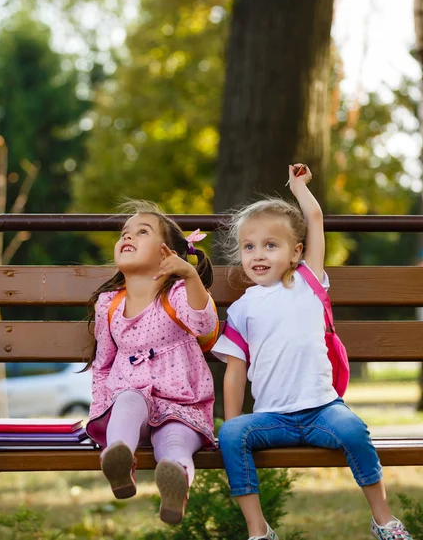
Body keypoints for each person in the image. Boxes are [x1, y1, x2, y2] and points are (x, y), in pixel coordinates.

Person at [212, 165, 413, 540]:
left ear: (296, 252)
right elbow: (235, 371)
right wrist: (234, 424)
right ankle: (259, 531)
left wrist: (297, 186)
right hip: (272, 419)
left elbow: (315, 217)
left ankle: (384, 520)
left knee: (354, 430)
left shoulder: (307, 280)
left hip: (323, 409)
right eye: (249, 246)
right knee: (231, 434)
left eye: (271, 245)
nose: (258, 254)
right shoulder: (241, 309)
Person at [85, 200, 218, 525]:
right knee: (128, 401)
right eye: (124, 233)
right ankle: (118, 458)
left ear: (165, 253)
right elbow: (103, 365)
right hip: (131, 407)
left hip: (182, 408)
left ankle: (175, 481)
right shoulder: (110, 305)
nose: (127, 237)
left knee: (175, 443)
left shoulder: (176, 296)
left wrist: (189, 275)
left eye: (141, 232)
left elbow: (204, 325)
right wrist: (98, 410)